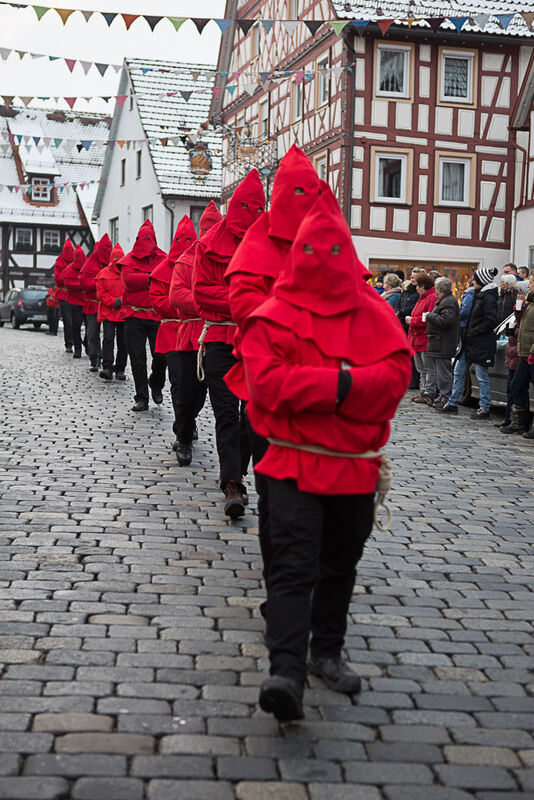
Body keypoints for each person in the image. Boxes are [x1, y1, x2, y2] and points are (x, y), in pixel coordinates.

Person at [240, 189, 411, 721]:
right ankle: (286, 671)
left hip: (354, 470)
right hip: (291, 464)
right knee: (291, 568)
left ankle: (326, 653)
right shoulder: (273, 316)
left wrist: (318, 388)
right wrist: (344, 385)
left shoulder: (376, 314)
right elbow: (267, 387)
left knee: (340, 564)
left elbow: (392, 383)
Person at [225, 144, 320, 613]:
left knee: (318, 500)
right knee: (275, 497)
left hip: (321, 396)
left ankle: (309, 588)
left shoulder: (328, 235)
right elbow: (244, 307)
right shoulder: (254, 245)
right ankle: (280, 588)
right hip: (266, 386)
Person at [192, 169, 265, 518]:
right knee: (225, 412)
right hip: (220, 339)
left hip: (258, 342)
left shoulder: (271, 239)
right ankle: (232, 484)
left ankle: (237, 472)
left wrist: (238, 299)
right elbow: (200, 292)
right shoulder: (207, 244)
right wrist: (247, 299)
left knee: (251, 416)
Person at [169, 202, 222, 466]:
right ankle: (185, 438)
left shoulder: (229, 258)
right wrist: (210, 302)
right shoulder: (186, 259)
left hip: (219, 335)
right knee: (189, 392)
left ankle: (186, 429)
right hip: (191, 334)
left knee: (208, 397)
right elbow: (176, 295)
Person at [149, 215, 197, 443]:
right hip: (171, 333)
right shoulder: (161, 270)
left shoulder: (201, 263)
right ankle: (182, 427)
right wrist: (181, 306)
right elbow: (158, 302)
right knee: (178, 382)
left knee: (195, 386)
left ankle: (189, 422)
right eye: (182, 239)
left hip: (194, 332)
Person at [118, 220, 167, 412]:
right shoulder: (128, 260)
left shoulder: (163, 258)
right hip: (134, 315)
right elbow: (129, 281)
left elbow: (166, 279)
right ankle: (141, 397)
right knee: (137, 358)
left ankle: (156, 383)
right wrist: (153, 277)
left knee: (161, 356)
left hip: (156, 316)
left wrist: (147, 278)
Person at [439, 266, 499, 418]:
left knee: (481, 376)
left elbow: (491, 320)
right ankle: (453, 403)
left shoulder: (489, 297)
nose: (472, 281)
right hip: (469, 341)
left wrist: (474, 331)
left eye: (475, 279)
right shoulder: (479, 294)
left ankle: (484, 408)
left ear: (480, 281)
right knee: (459, 372)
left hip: (480, 343)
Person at [501, 277, 534, 436]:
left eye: (532, 282)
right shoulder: (530, 304)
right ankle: (520, 421)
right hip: (524, 353)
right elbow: (522, 326)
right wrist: (519, 310)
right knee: (517, 385)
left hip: (531, 353)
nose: (529, 285)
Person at [95, 243, 128, 381]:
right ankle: (107, 367)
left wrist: (121, 301)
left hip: (123, 313)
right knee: (108, 340)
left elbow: (131, 290)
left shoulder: (127, 272)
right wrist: (114, 302)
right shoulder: (103, 274)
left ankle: (120, 368)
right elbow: (101, 293)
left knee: (123, 342)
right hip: (109, 312)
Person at [79, 234, 112, 372]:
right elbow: (83, 281)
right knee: (92, 333)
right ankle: (94, 358)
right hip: (93, 304)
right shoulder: (90, 263)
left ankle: (106, 360)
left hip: (107, 304)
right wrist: (99, 283)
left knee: (109, 336)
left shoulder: (112, 260)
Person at [425, 277, 459, 409]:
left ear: (439, 290)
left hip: (443, 343)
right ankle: (442, 396)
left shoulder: (449, 302)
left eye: (435, 289)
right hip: (439, 342)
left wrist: (430, 315)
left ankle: (446, 397)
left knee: (443, 373)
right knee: (440, 372)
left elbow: (446, 321)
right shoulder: (445, 301)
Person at [406, 272, 437, 404]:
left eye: (418, 285)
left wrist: (412, 320)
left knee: (428, 368)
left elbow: (427, 318)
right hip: (416, 339)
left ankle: (428, 392)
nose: (416, 288)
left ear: (423, 286)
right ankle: (423, 391)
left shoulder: (431, 298)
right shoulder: (422, 298)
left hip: (424, 339)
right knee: (421, 368)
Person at [397, 267, 425, 390]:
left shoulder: (421, 291)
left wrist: (403, 312)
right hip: (403, 324)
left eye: (414, 277)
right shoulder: (407, 289)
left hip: (413, 325)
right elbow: (400, 302)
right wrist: (400, 312)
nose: (412, 279)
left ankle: (415, 381)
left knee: (415, 357)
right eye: (411, 277)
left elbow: (416, 307)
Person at [62, 244, 87, 359]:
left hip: (87, 302)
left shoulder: (88, 266)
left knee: (90, 328)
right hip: (75, 302)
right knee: (76, 326)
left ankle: (87, 343)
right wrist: (82, 285)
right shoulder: (69, 269)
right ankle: (78, 349)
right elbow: (68, 284)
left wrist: (79, 285)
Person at [54, 239, 74, 352]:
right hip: (64, 295)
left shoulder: (76, 259)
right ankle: (69, 343)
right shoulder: (59, 262)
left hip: (74, 294)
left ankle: (76, 341)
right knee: (67, 320)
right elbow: (58, 279)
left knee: (75, 320)